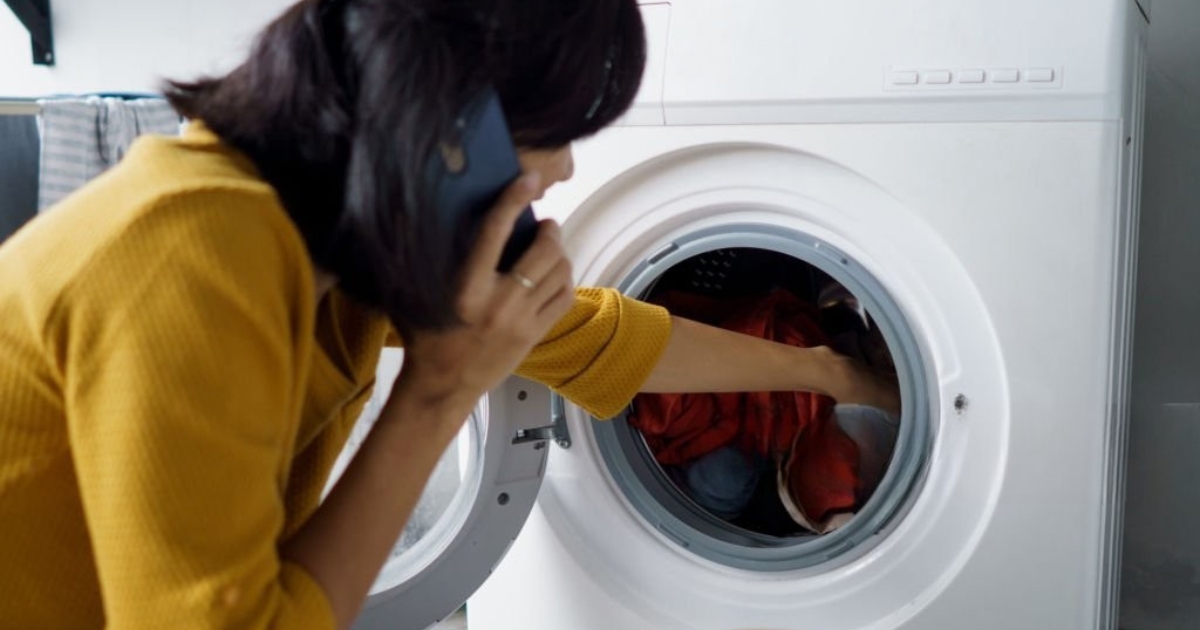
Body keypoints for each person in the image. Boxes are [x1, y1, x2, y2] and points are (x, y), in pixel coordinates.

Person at [0, 1, 899, 629]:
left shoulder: (339, 243)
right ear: (445, 121)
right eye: (555, 128)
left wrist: (833, 371)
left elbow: (601, 341)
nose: (566, 173)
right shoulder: (196, 253)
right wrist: (437, 393)